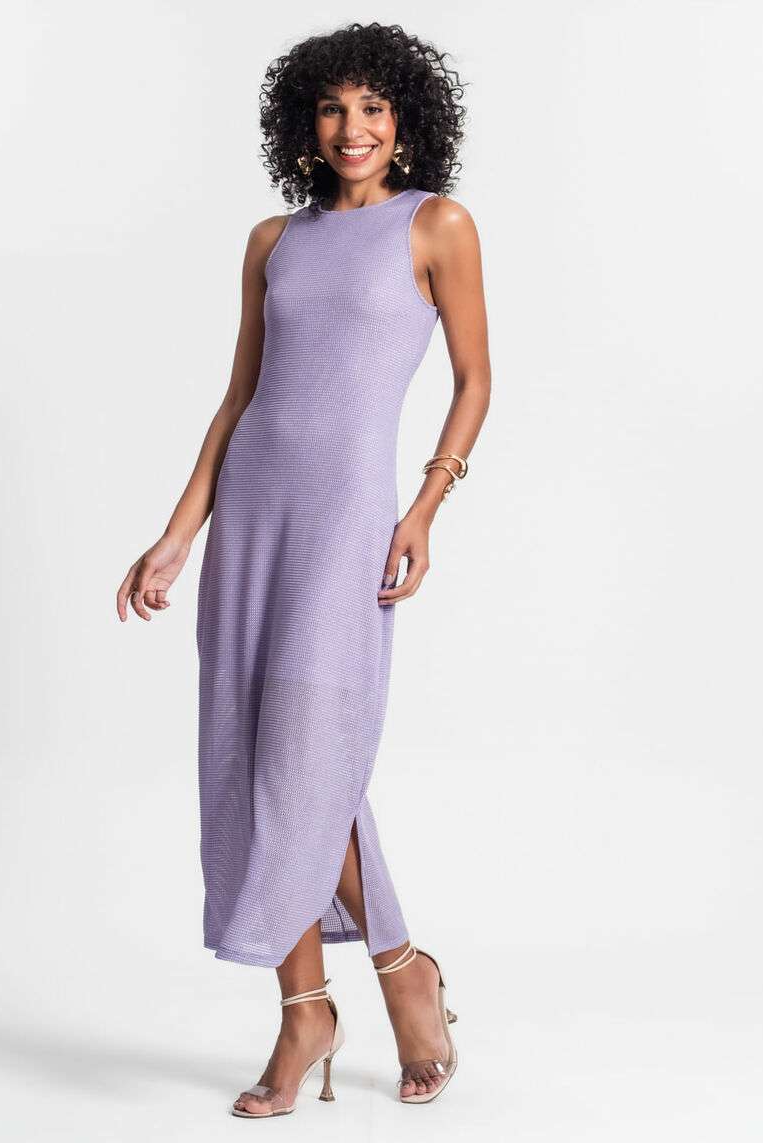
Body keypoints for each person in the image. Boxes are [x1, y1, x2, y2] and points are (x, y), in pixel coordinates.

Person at [117, 20, 491, 1117]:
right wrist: (179, 533)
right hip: (254, 517)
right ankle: (305, 1011)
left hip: (346, 524)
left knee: (311, 759)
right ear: (304, 123)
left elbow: (474, 380)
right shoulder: (273, 241)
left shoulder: (438, 225)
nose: (351, 127)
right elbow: (242, 398)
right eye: (331, 107)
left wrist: (424, 506)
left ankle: (401, 972)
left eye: (373, 106)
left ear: (406, 121)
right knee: (254, 754)